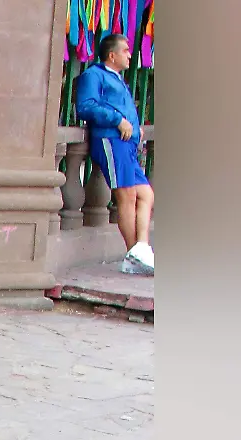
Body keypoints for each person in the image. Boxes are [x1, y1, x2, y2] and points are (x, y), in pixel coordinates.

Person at [74, 33, 154, 274]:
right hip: (111, 140)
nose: (130, 55)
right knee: (126, 197)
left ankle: (140, 249)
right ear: (112, 55)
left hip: (127, 145)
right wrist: (118, 119)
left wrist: (133, 124)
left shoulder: (118, 79)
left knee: (146, 194)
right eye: (126, 51)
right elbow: (86, 106)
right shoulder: (94, 75)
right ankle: (134, 256)